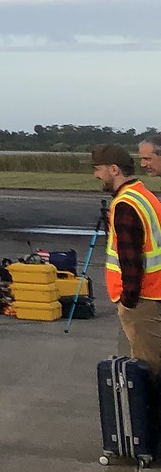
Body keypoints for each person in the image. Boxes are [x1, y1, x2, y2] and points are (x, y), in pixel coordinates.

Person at [93, 143, 161, 371]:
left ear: (114, 169)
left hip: (143, 300)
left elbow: (130, 258)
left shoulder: (125, 205)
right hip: (154, 293)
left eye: (98, 169)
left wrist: (128, 301)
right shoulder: (145, 196)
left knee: (148, 371)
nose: (95, 175)